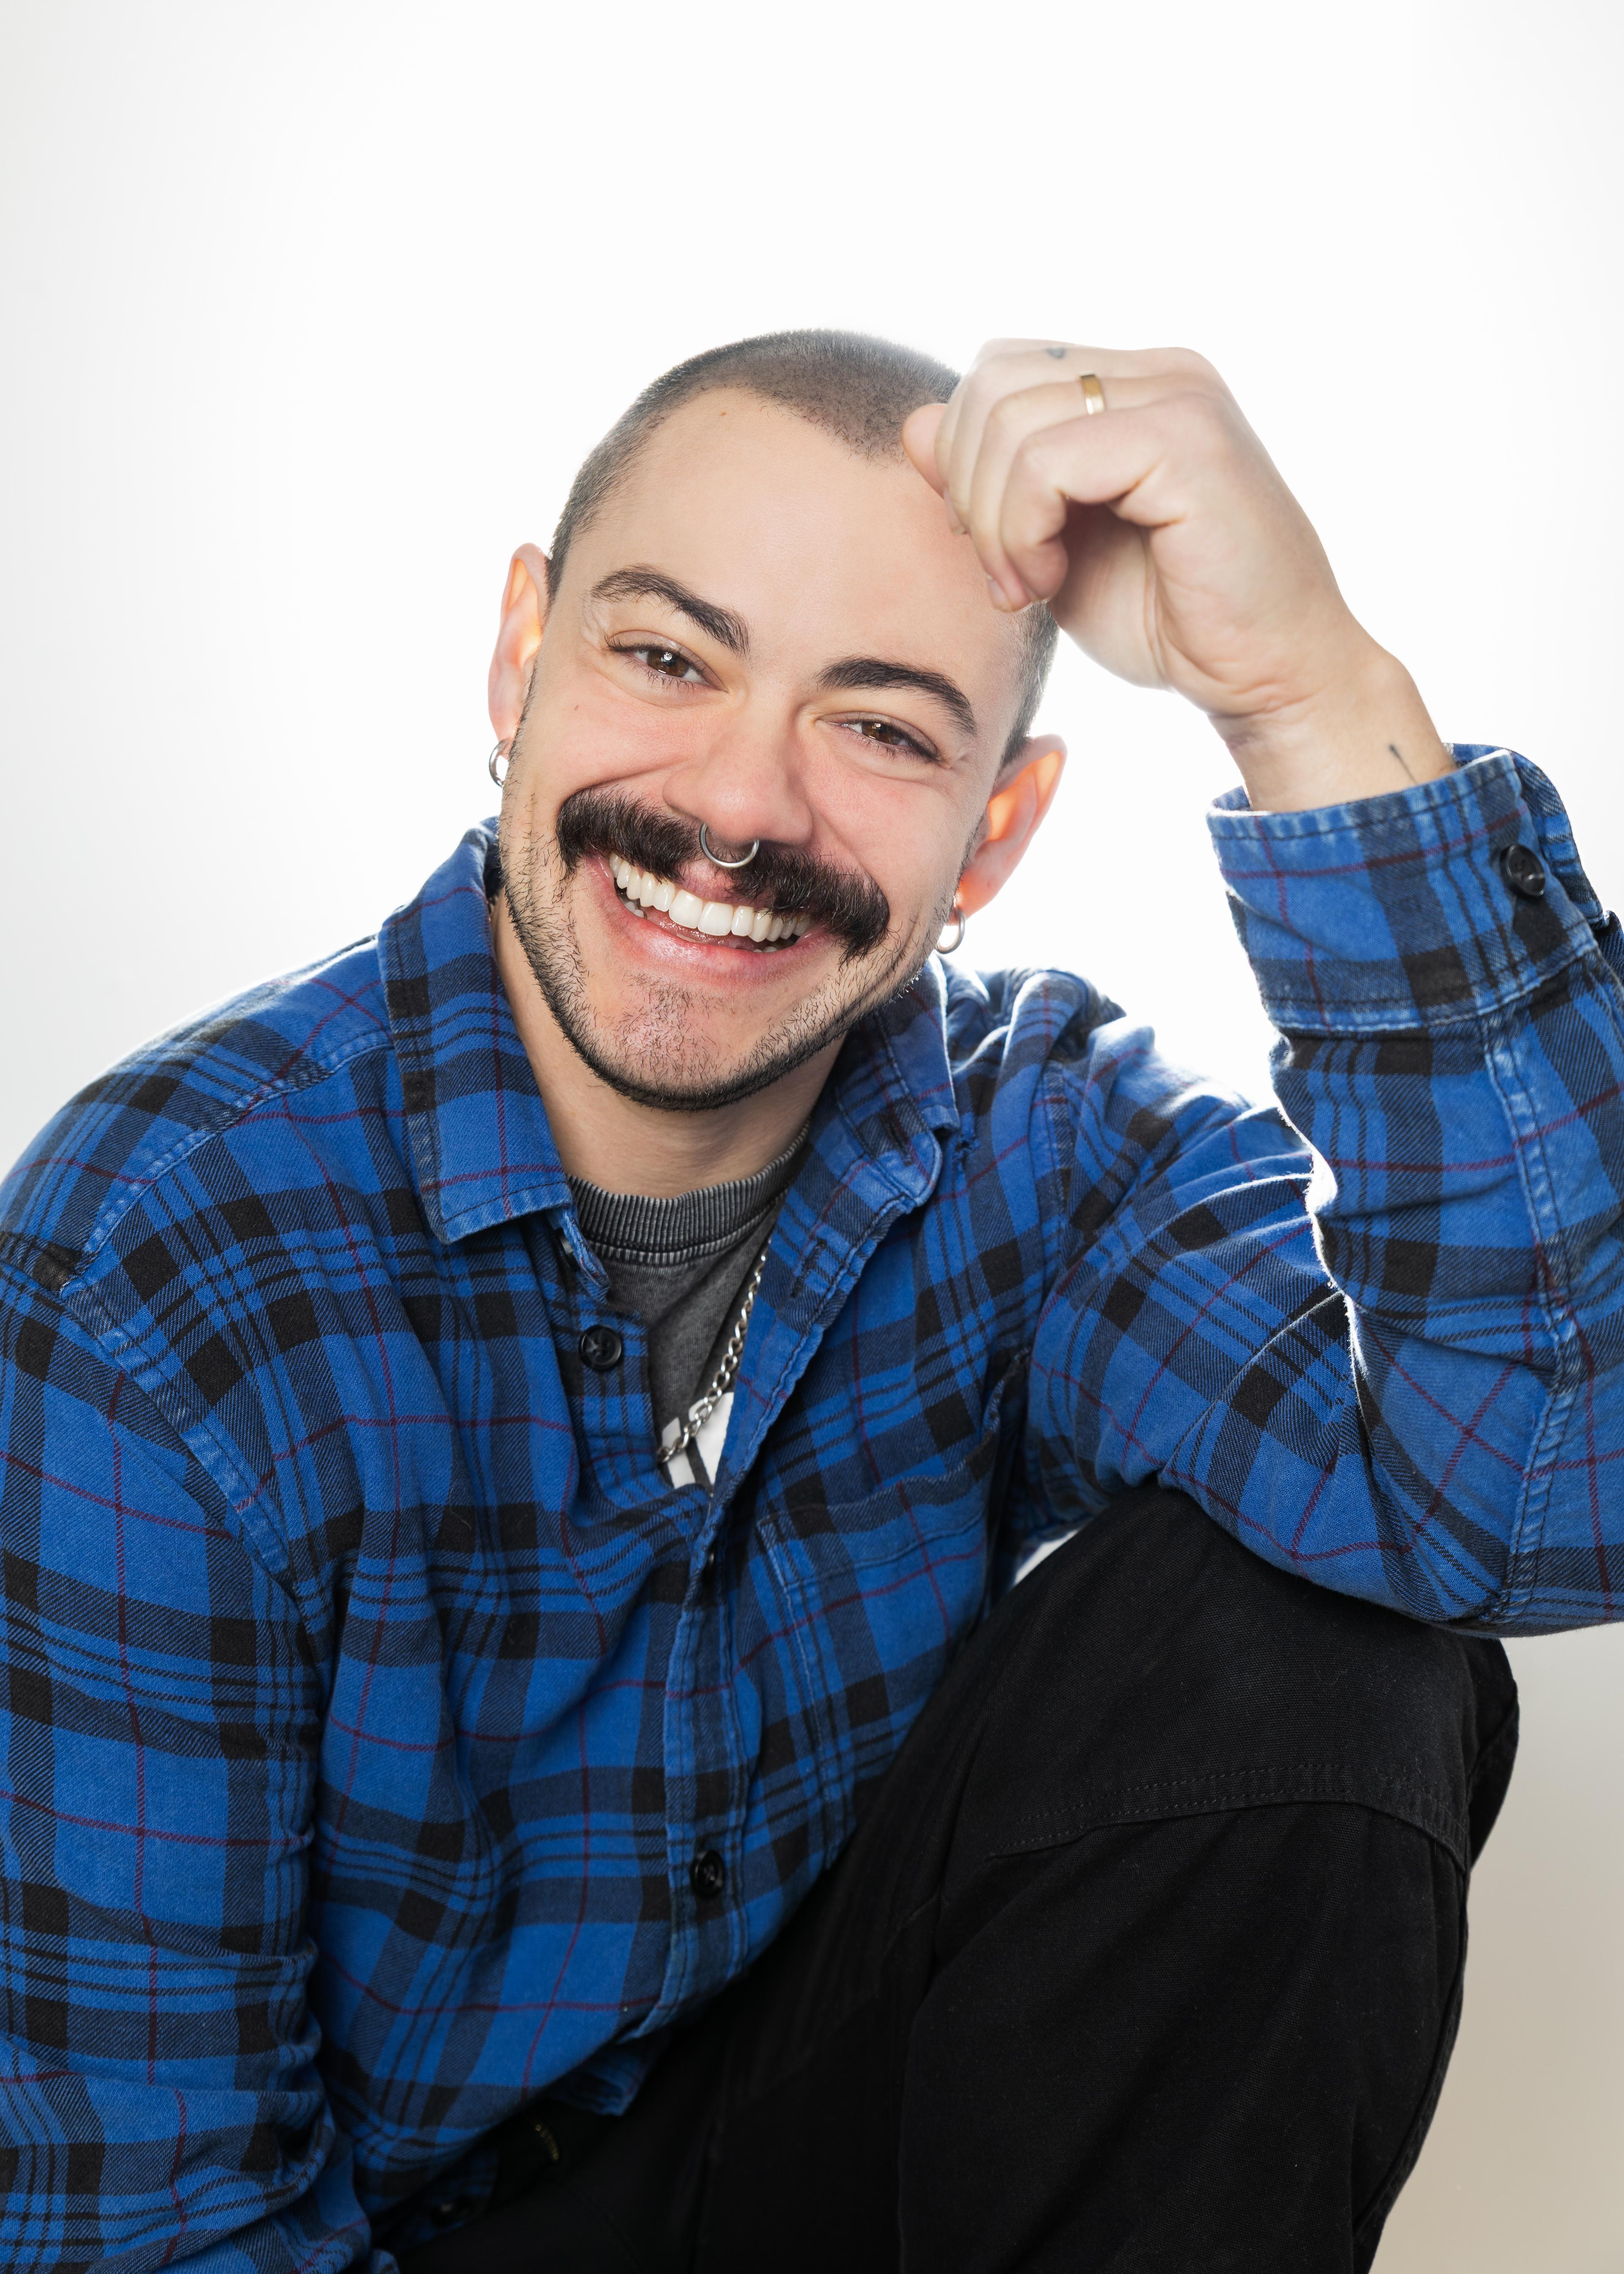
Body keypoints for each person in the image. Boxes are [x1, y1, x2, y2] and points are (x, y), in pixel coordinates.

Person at [0, 327, 1614, 2274]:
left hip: (833, 2159)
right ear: (523, 658)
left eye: (885, 728)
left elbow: (1540, 1496)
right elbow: (150, 2232)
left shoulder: (1045, 1145)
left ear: (993, 836)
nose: (740, 808)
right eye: (668, 658)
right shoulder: (161, 1271)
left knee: (1338, 1647)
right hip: (378, 2243)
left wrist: (1308, 692)